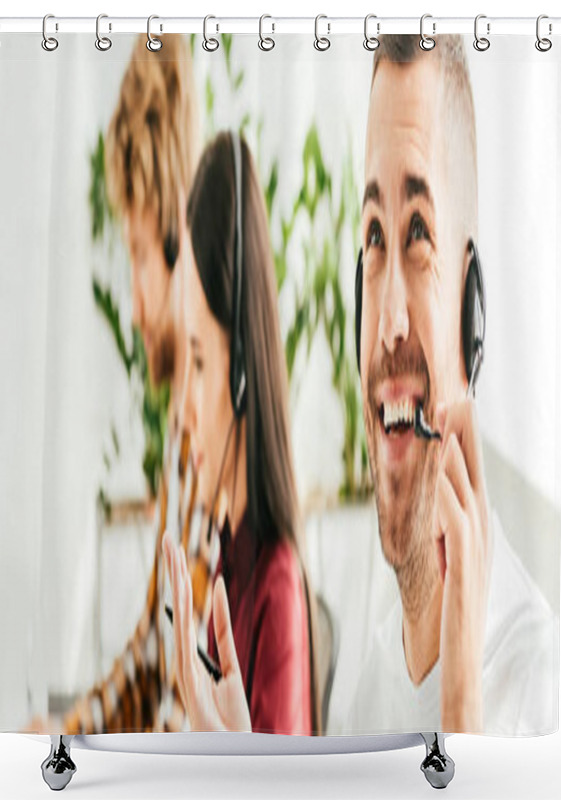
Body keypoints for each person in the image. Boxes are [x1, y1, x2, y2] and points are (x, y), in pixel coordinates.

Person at [345, 34, 556, 736]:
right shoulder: (365, 685)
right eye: (376, 238)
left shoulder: (542, 688)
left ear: (473, 315)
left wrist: (462, 720)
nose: (388, 327)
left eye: (419, 234)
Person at [26, 33, 200, 734]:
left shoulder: (220, 442)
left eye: (136, 256)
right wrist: (67, 732)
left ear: (174, 242)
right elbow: (155, 652)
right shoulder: (187, 432)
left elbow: (196, 723)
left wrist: (88, 747)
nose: (133, 305)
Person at [163, 131, 321, 735]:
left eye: (200, 362)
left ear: (239, 380)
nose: (183, 408)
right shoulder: (230, 557)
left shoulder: (275, 593)